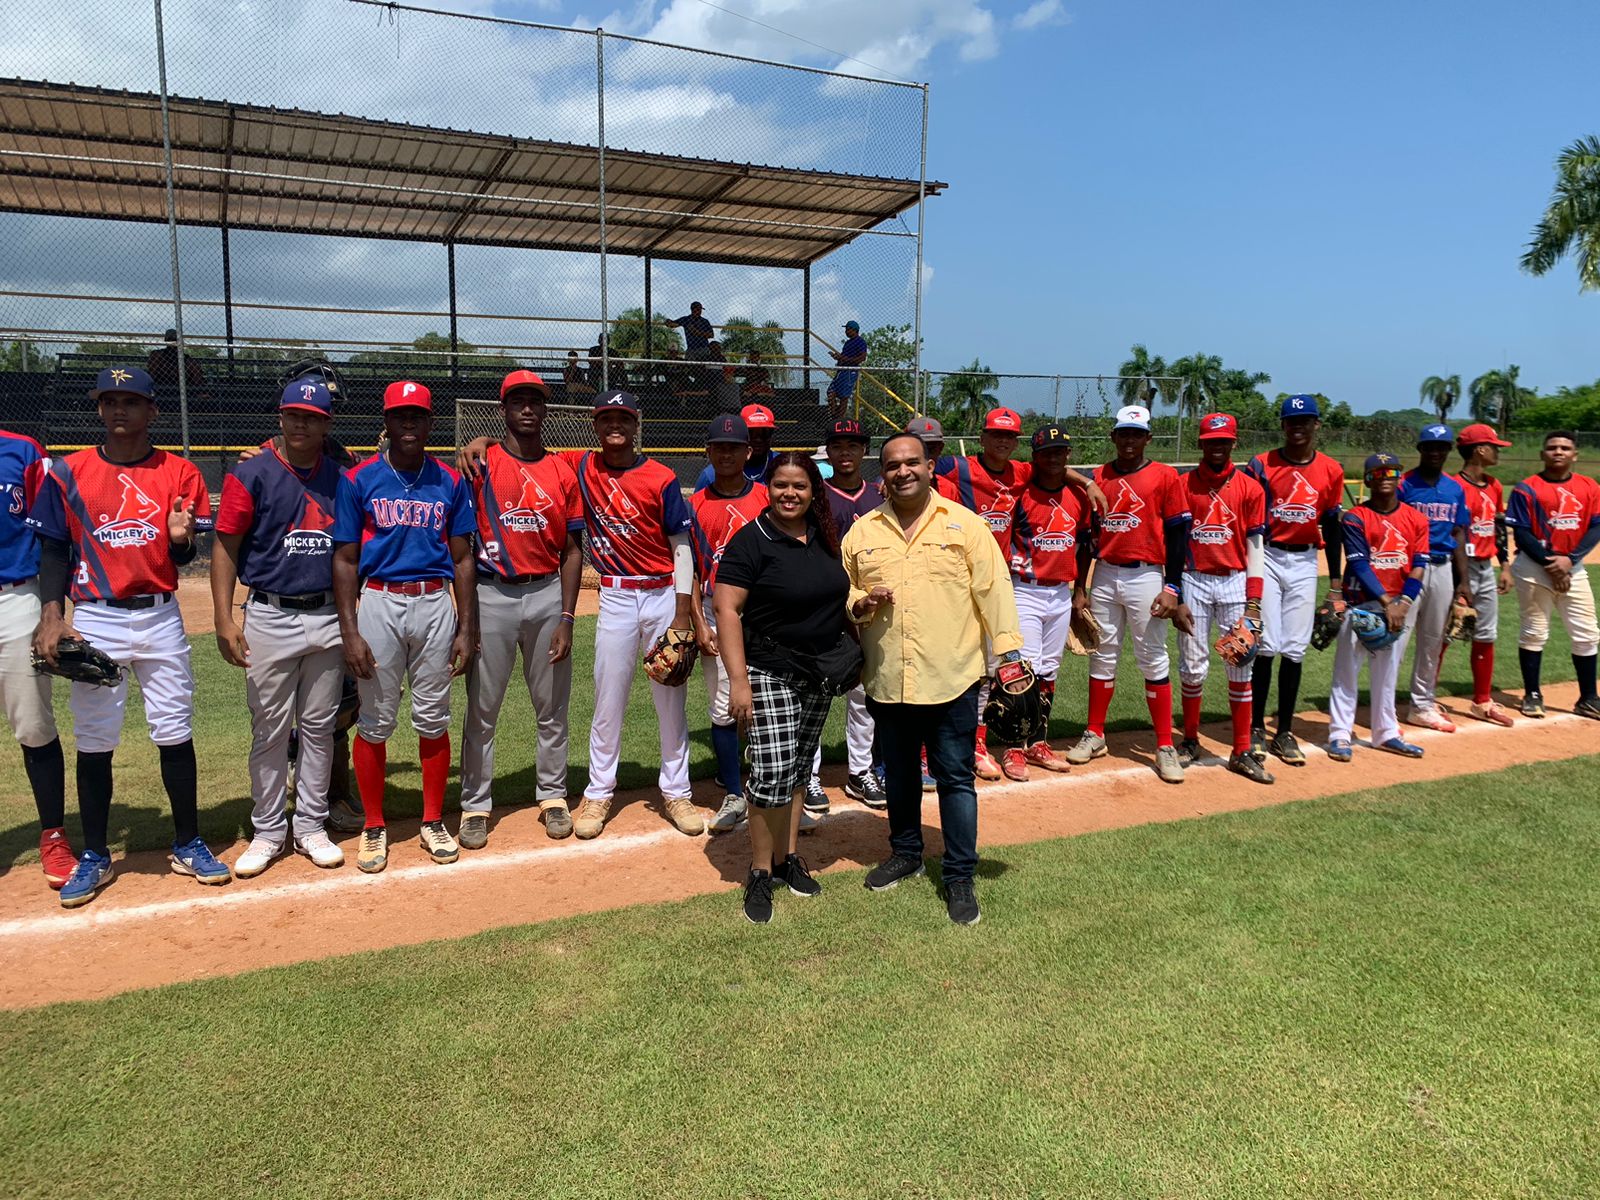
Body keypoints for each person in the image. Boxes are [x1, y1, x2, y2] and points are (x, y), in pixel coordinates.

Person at [456, 393, 707, 838]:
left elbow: (681, 545)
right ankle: (598, 792)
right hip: (613, 595)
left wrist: (683, 612)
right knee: (607, 700)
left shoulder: (662, 476)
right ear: (595, 425)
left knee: (670, 699)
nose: (615, 426)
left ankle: (677, 791)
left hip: (662, 594)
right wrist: (483, 439)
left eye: (623, 418)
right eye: (606, 418)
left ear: (635, 425)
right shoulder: (580, 465)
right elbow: (522, 445)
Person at [30, 366, 225, 909]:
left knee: (174, 728)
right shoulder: (69, 473)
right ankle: (94, 854)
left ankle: (187, 840)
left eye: (131, 401)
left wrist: (183, 541)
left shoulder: (180, 472)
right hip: (97, 616)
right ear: (98, 408)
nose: (120, 410)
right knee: (95, 738)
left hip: (160, 614)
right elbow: (53, 550)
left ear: (152, 411)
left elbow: (184, 552)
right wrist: (52, 616)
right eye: (110, 400)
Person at [842, 432, 1027, 927]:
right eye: (893, 465)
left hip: (952, 676)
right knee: (899, 774)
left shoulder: (965, 526)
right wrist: (858, 604)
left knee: (954, 778)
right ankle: (905, 852)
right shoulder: (863, 533)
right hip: (888, 677)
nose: (903, 472)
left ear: (930, 466)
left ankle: (959, 873)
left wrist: (1008, 654)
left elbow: (994, 589)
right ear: (882, 473)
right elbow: (849, 591)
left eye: (912, 463)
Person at [333, 381, 477, 873]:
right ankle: (374, 825)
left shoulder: (450, 482)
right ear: (388, 421)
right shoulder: (360, 480)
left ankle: (432, 819)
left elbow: (462, 558)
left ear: (430, 423)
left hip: (435, 602)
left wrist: (466, 626)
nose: (409, 424)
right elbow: (347, 559)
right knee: (375, 719)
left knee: (434, 718)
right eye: (401, 415)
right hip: (378, 601)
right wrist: (349, 631)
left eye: (418, 416)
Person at [210, 375, 347, 876]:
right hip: (269, 612)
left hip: (328, 613)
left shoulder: (340, 478)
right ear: (280, 418)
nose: (300, 424)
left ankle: (310, 826)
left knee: (318, 728)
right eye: (293, 415)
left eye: (311, 417)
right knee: (268, 730)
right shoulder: (253, 474)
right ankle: (268, 830)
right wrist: (224, 617)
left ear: (325, 424)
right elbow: (225, 546)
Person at [714, 453, 848, 923]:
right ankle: (758, 870)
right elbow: (726, 609)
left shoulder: (825, 538)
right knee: (770, 772)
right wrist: (738, 681)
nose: (790, 494)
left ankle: (787, 858)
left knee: (795, 772)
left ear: (814, 491)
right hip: (769, 670)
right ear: (767, 489)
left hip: (817, 672)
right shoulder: (752, 540)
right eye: (781, 485)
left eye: (800, 486)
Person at [459, 370, 585, 845]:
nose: (527, 408)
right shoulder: (481, 462)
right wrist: (467, 616)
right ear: (503, 410)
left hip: (547, 593)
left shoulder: (560, 470)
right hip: (492, 593)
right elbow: (462, 548)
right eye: (518, 401)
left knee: (551, 706)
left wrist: (568, 617)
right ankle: (475, 804)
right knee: (482, 707)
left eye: (535, 401)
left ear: (545, 409)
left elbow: (574, 549)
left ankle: (552, 796)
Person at [1066, 404, 1193, 784]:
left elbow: (1177, 536)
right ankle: (1095, 733)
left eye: (1137, 434)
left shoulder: (1165, 476)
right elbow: (1088, 538)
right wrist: (1081, 586)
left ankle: (1165, 744)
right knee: (1101, 654)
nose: (1130, 440)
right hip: (1105, 573)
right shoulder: (1099, 477)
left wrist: (1173, 586)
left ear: (1148, 438)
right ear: (1114, 437)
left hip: (1147, 575)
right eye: (1124, 433)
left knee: (1152, 657)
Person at [1244, 394, 1345, 766]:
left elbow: (1332, 527)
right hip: (1267, 555)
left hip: (1305, 560)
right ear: (1283, 425)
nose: (1298, 427)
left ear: (1317, 425)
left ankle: (1283, 730)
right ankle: (1255, 725)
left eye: (1305, 422)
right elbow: (1248, 516)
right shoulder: (1262, 465)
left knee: (1296, 648)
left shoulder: (1330, 470)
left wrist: (1335, 584)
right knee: (1266, 643)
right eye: (1291, 421)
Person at [1174, 414, 1273, 783]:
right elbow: (1176, 542)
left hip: (1235, 580)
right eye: (1212, 441)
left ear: (1234, 443)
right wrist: (1176, 589)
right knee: (1192, 665)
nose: (1218, 446)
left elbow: (1256, 547)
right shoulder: (1183, 485)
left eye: (1225, 441)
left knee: (1240, 665)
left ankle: (1242, 750)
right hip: (1194, 579)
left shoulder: (1250, 488)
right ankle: (1190, 740)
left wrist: (1254, 602)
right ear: (1201, 444)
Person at [688, 414, 770, 834]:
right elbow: (688, 568)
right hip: (715, 610)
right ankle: (734, 794)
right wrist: (698, 623)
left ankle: (770, 787)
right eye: (718, 446)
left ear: (748, 452)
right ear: (708, 452)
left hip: (763, 612)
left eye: (734, 446)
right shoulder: (696, 505)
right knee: (723, 705)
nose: (726, 453)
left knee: (768, 700)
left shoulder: (766, 499)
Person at [0, 427, 69, 890]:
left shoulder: (22, 450)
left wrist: (51, 610)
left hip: (15, 598)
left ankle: (54, 834)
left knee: (34, 724)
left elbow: (49, 533)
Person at [1326, 454, 1430, 761]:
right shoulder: (1356, 517)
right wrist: (1388, 604)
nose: (1385, 476)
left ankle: (1386, 732)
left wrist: (1404, 603)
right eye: (1377, 471)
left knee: (1388, 672)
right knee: (1347, 670)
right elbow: (1359, 565)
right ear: (1368, 479)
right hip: (1361, 602)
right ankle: (1340, 734)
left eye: (1392, 471)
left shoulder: (1417, 519)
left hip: (1399, 604)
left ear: (1400, 477)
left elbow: (1420, 566)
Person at [806, 418, 886, 812]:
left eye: (853, 445)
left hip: (867, 607)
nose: (846, 452)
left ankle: (860, 771)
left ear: (863, 450)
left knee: (862, 694)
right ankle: (812, 775)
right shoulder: (815, 495)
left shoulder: (880, 495)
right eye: (838, 445)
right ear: (829, 452)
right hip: (823, 606)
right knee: (816, 694)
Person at [1004, 422, 1092, 778]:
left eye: (1059, 452)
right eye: (1045, 453)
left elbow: (1085, 544)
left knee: (1049, 671)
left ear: (1067, 455)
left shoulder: (1079, 496)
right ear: (1035, 457)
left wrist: (1081, 591)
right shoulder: (1021, 494)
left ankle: (1038, 741)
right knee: (1022, 671)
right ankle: (1013, 747)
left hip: (1059, 592)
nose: (1053, 458)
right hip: (1023, 588)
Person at [1505, 430, 1600, 720]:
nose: (1558, 452)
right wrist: (1552, 563)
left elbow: (1596, 526)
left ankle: (1588, 697)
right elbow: (1521, 533)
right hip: (1534, 567)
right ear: (1542, 454)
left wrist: (1569, 561)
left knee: (1587, 632)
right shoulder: (1527, 488)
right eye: (1552, 447)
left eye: (1565, 447)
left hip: (1573, 567)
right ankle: (1532, 694)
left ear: (1575, 454)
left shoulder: (1590, 487)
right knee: (1534, 631)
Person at [1397, 424, 1474, 732]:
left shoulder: (1455, 488)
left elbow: (1458, 533)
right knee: (1397, 637)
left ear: (1448, 451)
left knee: (1432, 640)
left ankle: (1422, 705)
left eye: (1441, 447)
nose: (1434, 452)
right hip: (1409, 568)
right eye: (1429, 446)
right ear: (1420, 449)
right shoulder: (1404, 485)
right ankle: (1385, 706)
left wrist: (1464, 582)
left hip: (1442, 567)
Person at [1445, 423, 1515, 725]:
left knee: (1486, 634)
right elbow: (1450, 531)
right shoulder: (1453, 486)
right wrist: (1459, 580)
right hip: (1457, 567)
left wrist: (1506, 565)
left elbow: (1498, 528)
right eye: (1494, 446)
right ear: (1479, 450)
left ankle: (1482, 701)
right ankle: (1423, 699)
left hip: (1486, 567)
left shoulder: (1495, 485)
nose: (1497, 451)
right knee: (1446, 632)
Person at [694, 403, 778, 491]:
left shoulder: (782, 465)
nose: (758, 439)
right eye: (751, 433)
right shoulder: (712, 474)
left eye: (765, 433)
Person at [826, 320, 868, 420]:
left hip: (850, 371)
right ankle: (835, 416)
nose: (845, 331)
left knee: (843, 397)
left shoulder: (860, 342)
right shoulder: (848, 343)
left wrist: (846, 359)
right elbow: (843, 356)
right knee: (830, 392)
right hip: (841, 371)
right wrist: (838, 357)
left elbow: (862, 358)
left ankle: (839, 419)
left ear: (854, 330)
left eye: (847, 329)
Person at [144, 328, 205, 395]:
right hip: (161, 385)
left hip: (181, 387)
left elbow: (197, 378)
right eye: (171, 340)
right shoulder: (158, 355)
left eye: (173, 339)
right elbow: (151, 371)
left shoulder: (186, 359)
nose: (172, 341)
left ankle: (200, 392)